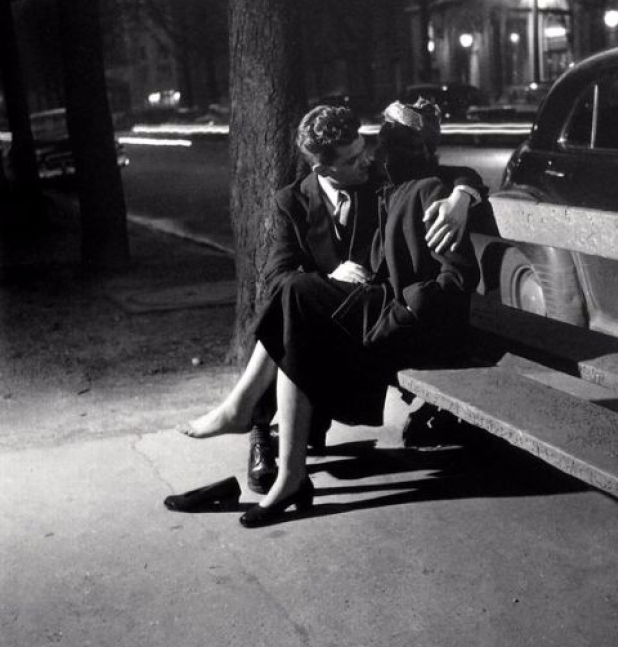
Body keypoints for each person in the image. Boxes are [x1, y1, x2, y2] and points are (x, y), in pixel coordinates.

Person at [173, 102, 484, 500]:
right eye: (353, 158)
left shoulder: (377, 180)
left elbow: (442, 173)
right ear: (322, 169)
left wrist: (463, 194)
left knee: (297, 302)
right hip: (327, 323)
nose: (366, 160)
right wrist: (327, 279)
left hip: (372, 319)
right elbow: (275, 276)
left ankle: (246, 413)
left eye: (364, 148)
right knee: (293, 297)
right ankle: (262, 432)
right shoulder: (291, 201)